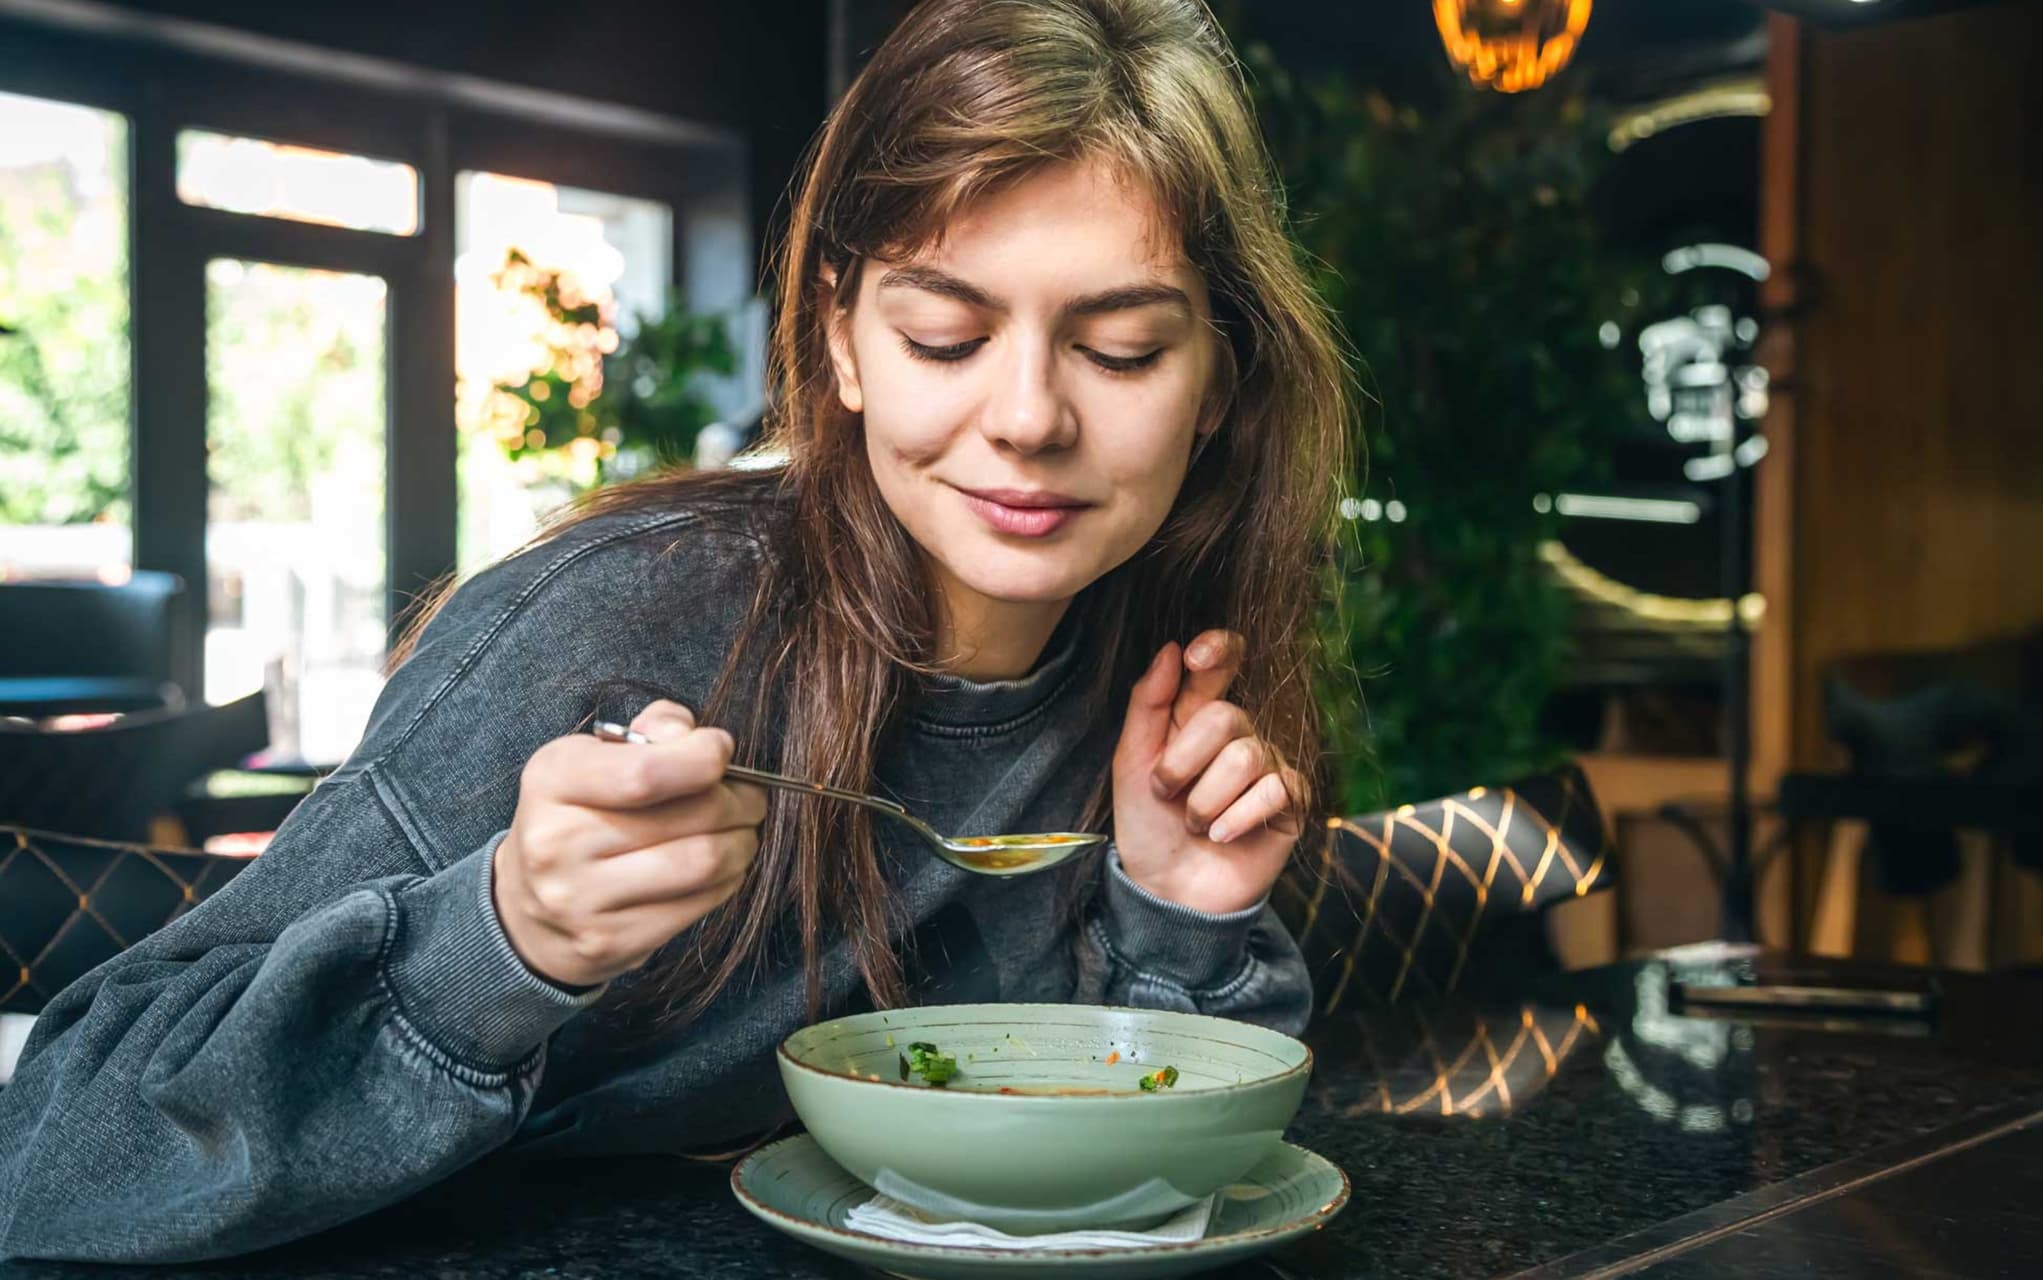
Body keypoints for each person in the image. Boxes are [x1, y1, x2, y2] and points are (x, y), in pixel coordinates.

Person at [0, 0, 1351, 1262]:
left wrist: (1179, 918)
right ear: (840, 341)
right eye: (945, 335)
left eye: (1119, 350)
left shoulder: (1157, 670)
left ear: (1219, 380)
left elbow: (1149, 1191)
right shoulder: (613, 629)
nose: (1030, 417)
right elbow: (56, 1149)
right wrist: (506, 937)